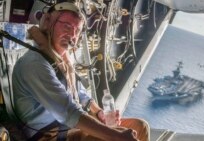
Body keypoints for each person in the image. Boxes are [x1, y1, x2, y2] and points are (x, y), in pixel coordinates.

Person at [12, 2, 149, 141]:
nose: (72, 34)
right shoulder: (36, 63)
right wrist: (117, 136)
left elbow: (79, 93)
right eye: (67, 26)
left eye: (77, 30)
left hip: (68, 128)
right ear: (47, 22)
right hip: (49, 135)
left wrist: (99, 112)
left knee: (140, 126)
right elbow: (69, 113)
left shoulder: (61, 61)